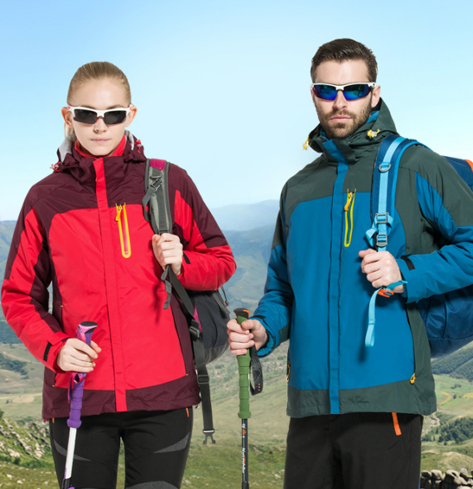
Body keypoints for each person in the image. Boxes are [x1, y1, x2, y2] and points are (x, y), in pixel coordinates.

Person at [227, 38, 473, 489]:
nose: (340, 102)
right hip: (309, 403)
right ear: (314, 95)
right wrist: (264, 330)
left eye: (354, 90)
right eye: (328, 90)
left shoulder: (415, 165)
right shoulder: (298, 189)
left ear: (374, 94)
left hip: (387, 400)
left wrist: (407, 273)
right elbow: (283, 289)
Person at [1, 61, 236, 488]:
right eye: (86, 114)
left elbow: (221, 262)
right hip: (79, 395)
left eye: (112, 114)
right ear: (67, 115)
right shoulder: (44, 199)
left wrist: (183, 263)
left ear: (130, 115)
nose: (99, 125)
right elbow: (18, 295)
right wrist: (55, 348)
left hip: (164, 395)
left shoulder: (170, 182)